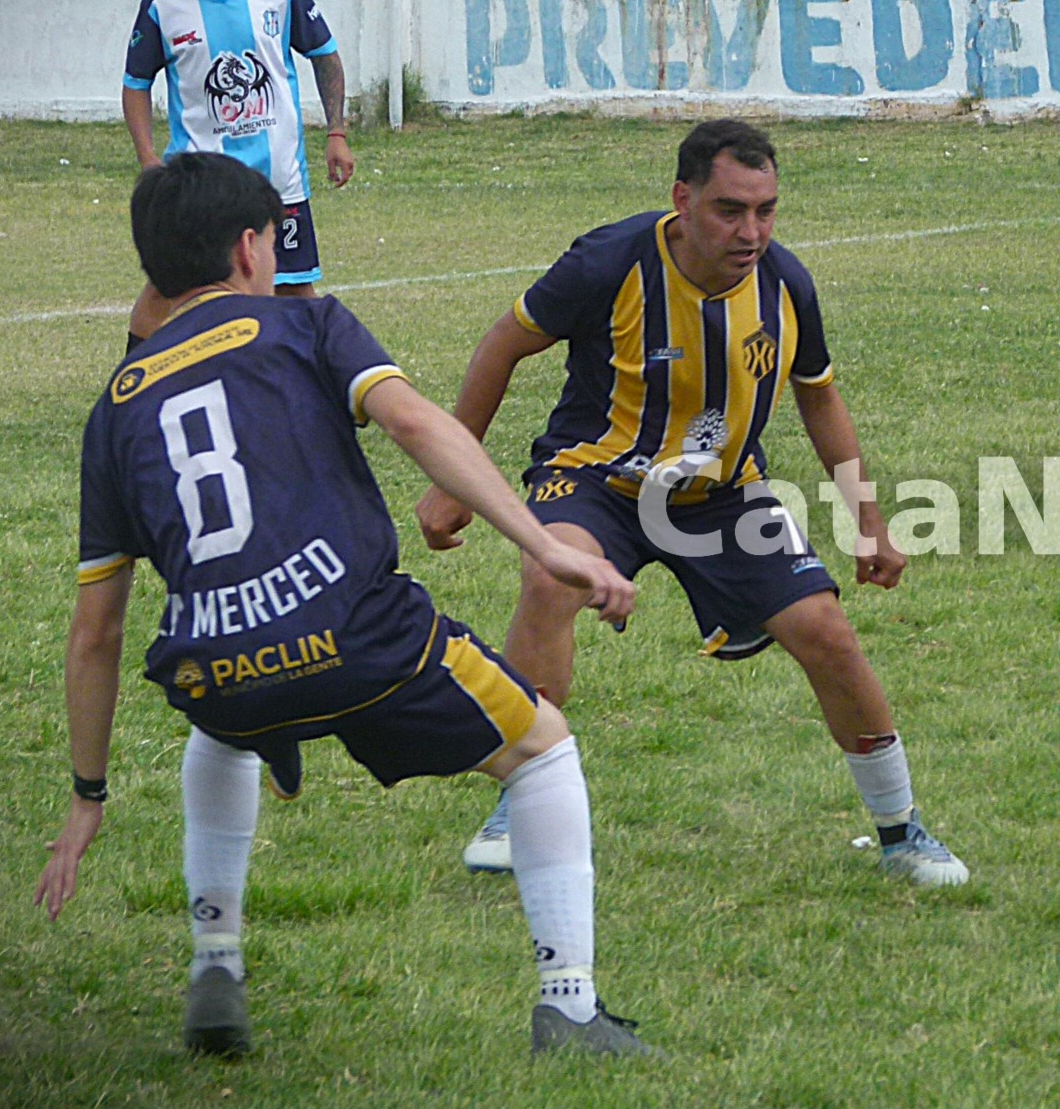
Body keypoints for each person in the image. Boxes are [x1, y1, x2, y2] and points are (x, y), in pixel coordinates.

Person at [36, 153, 655, 1057]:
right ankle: (569, 1005)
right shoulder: (306, 324)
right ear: (250, 249)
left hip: (218, 671)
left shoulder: (114, 410)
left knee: (222, 729)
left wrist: (88, 794)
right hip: (365, 644)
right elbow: (413, 423)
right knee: (541, 749)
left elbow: (97, 630)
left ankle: (216, 957)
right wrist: (546, 545)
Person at [415, 119, 969, 889]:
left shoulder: (785, 283)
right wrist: (453, 478)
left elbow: (820, 398)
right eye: (730, 210)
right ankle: (522, 799)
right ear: (682, 199)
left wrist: (868, 521)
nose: (751, 231)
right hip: (597, 480)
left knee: (826, 629)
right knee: (554, 577)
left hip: (722, 495)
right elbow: (503, 344)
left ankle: (902, 830)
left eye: (766, 210)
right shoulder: (608, 262)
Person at [121, 0, 355, 348]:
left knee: (294, 286)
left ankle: (317, 384)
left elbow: (325, 56)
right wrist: (148, 159)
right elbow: (135, 84)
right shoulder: (163, 3)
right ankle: (130, 383)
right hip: (200, 185)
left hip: (278, 178)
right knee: (170, 287)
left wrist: (337, 131)